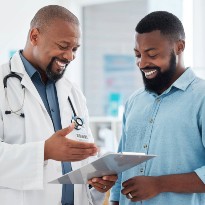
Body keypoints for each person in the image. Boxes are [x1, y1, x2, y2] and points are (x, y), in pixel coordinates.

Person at [0, 5, 117, 205]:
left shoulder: (73, 93)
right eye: (63, 46)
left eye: (74, 49)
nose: (70, 56)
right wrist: (44, 151)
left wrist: (95, 180)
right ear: (35, 36)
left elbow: (81, 158)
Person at [109, 11, 205, 205]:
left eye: (152, 54)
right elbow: (121, 167)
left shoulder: (201, 97)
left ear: (179, 47)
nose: (142, 63)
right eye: (138, 55)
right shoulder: (134, 101)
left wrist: (160, 184)